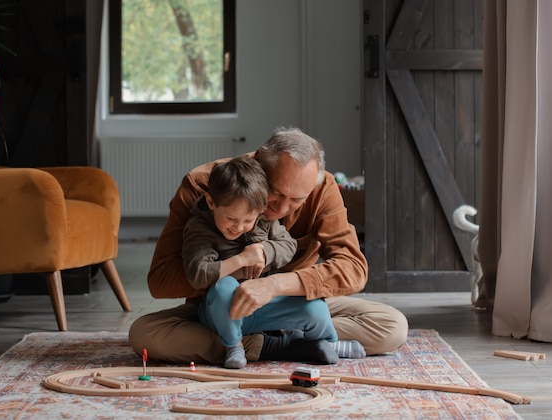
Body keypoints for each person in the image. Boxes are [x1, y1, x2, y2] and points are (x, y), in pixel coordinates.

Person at [129, 126, 408, 365]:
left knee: (392, 327)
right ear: (259, 162)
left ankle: (247, 346)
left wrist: (275, 285)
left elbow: (353, 268)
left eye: (297, 200)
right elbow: (161, 281)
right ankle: (284, 344)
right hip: (221, 308)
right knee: (144, 334)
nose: (283, 209)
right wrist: (236, 268)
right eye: (276, 193)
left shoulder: (322, 189)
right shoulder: (204, 186)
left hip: (290, 302)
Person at [183, 156, 339, 368]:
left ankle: (331, 343)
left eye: (248, 220)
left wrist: (264, 251)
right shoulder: (200, 228)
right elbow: (198, 274)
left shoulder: (263, 219)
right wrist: (242, 260)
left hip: (263, 306)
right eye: (231, 219)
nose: (238, 227)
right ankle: (235, 346)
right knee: (224, 288)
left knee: (315, 307)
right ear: (211, 202)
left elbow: (289, 246)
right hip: (222, 312)